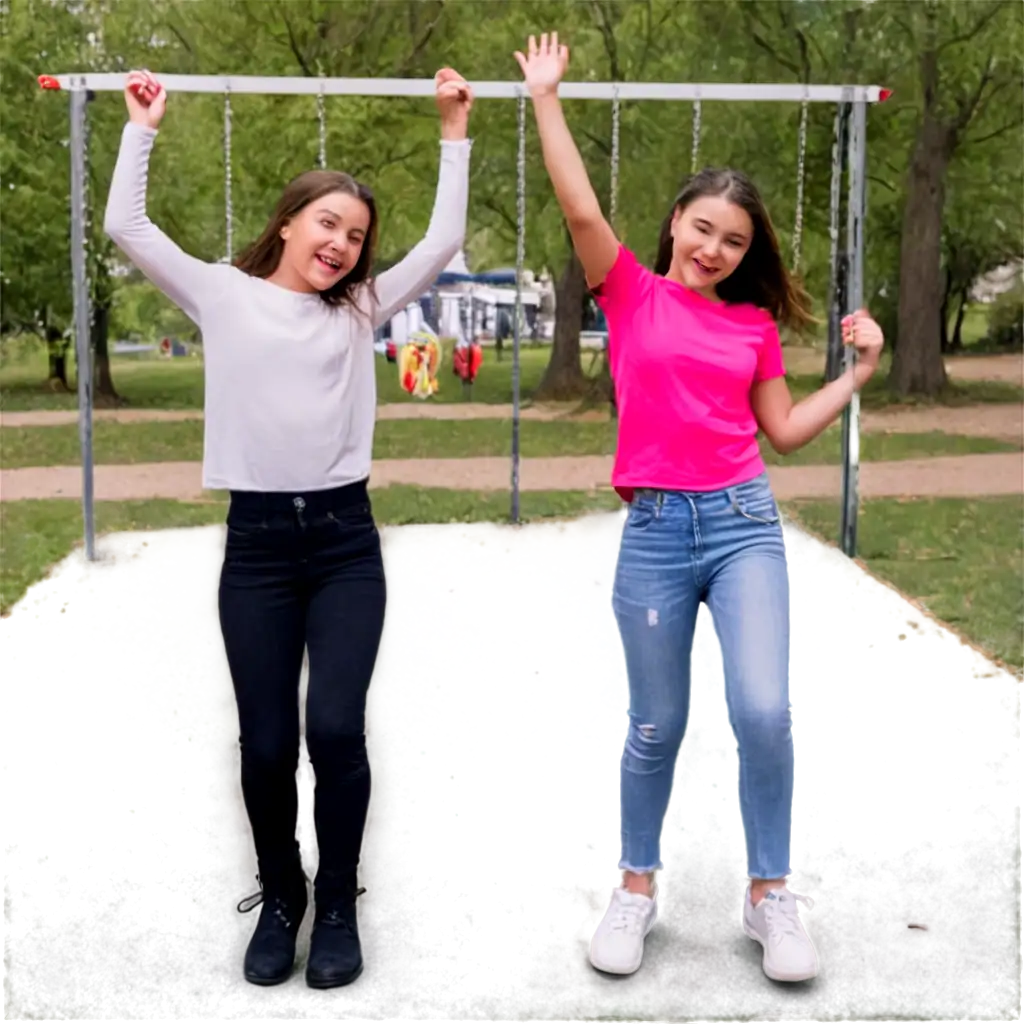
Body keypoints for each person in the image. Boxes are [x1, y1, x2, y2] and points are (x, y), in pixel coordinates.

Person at [514, 34, 884, 983]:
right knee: (656, 726)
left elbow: (786, 430)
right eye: (704, 229)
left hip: (743, 526)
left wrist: (860, 374)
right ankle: (637, 886)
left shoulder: (752, 326)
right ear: (676, 221)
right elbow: (578, 203)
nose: (717, 249)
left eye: (736, 241)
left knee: (766, 711)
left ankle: (771, 899)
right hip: (655, 534)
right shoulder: (629, 292)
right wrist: (546, 98)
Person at [104, 67, 474, 989]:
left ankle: (338, 900)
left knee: (336, 732)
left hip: (346, 545)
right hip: (260, 551)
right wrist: (142, 129)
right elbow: (126, 227)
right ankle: (281, 897)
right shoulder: (223, 295)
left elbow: (446, 238)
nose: (344, 245)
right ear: (288, 222)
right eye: (329, 225)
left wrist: (453, 129)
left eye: (356, 236)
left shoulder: (357, 309)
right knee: (267, 743)